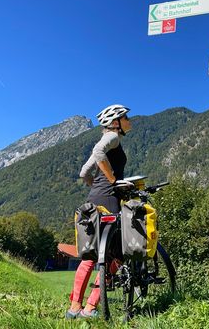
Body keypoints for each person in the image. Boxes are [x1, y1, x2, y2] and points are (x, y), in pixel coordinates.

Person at [66, 104, 133, 319]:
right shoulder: (113, 138)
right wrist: (113, 181)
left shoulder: (108, 139)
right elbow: (98, 152)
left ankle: (74, 307)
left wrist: (97, 184)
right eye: (126, 118)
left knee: (90, 255)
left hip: (93, 200)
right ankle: (91, 308)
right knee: (115, 256)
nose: (129, 121)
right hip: (109, 201)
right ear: (116, 123)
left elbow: (84, 172)